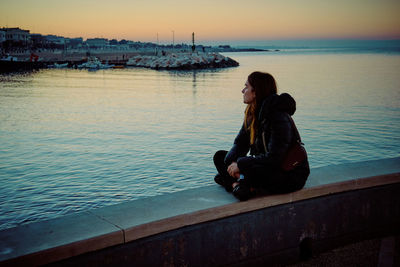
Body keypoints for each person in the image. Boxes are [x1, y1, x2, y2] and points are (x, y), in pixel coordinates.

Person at [213, 72, 310, 200]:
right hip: (266, 165)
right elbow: (240, 143)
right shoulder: (252, 113)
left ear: (255, 92)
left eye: (246, 87)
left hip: (287, 173)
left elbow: (274, 158)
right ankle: (238, 184)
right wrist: (231, 162)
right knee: (220, 156)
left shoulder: (277, 116)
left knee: (250, 170)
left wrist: (240, 165)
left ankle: (237, 183)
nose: (243, 91)